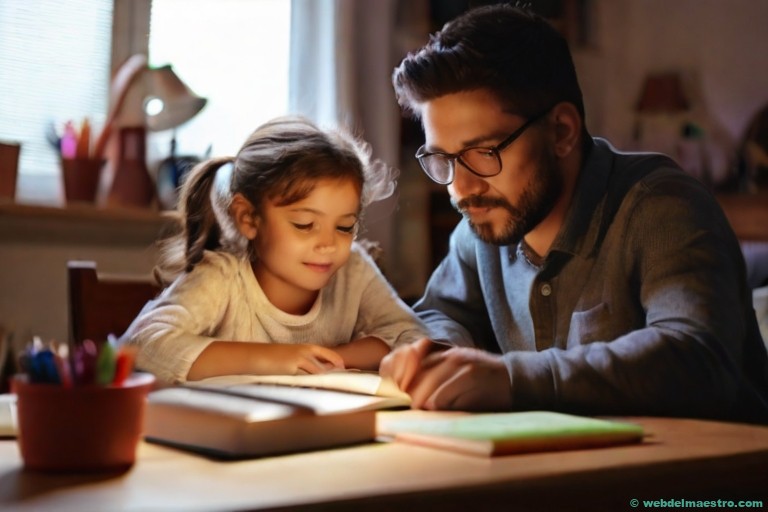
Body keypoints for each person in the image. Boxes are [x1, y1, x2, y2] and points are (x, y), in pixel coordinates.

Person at [380, 4, 768, 423]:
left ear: (562, 131)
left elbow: (698, 358)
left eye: (483, 153)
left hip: (711, 481)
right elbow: (442, 313)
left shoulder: (663, 207)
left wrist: (510, 379)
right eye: (444, 159)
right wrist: (436, 356)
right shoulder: (482, 223)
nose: (460, 188)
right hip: (575, 476)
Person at [121, 116, 425, 384]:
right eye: (305, 224)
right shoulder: (222, 279)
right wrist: (276, 359)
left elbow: (418, 338)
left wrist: (328, 358)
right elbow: (140, 345)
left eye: (345, 227)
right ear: (248, 218)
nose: (328, 244)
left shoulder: (353, 270)